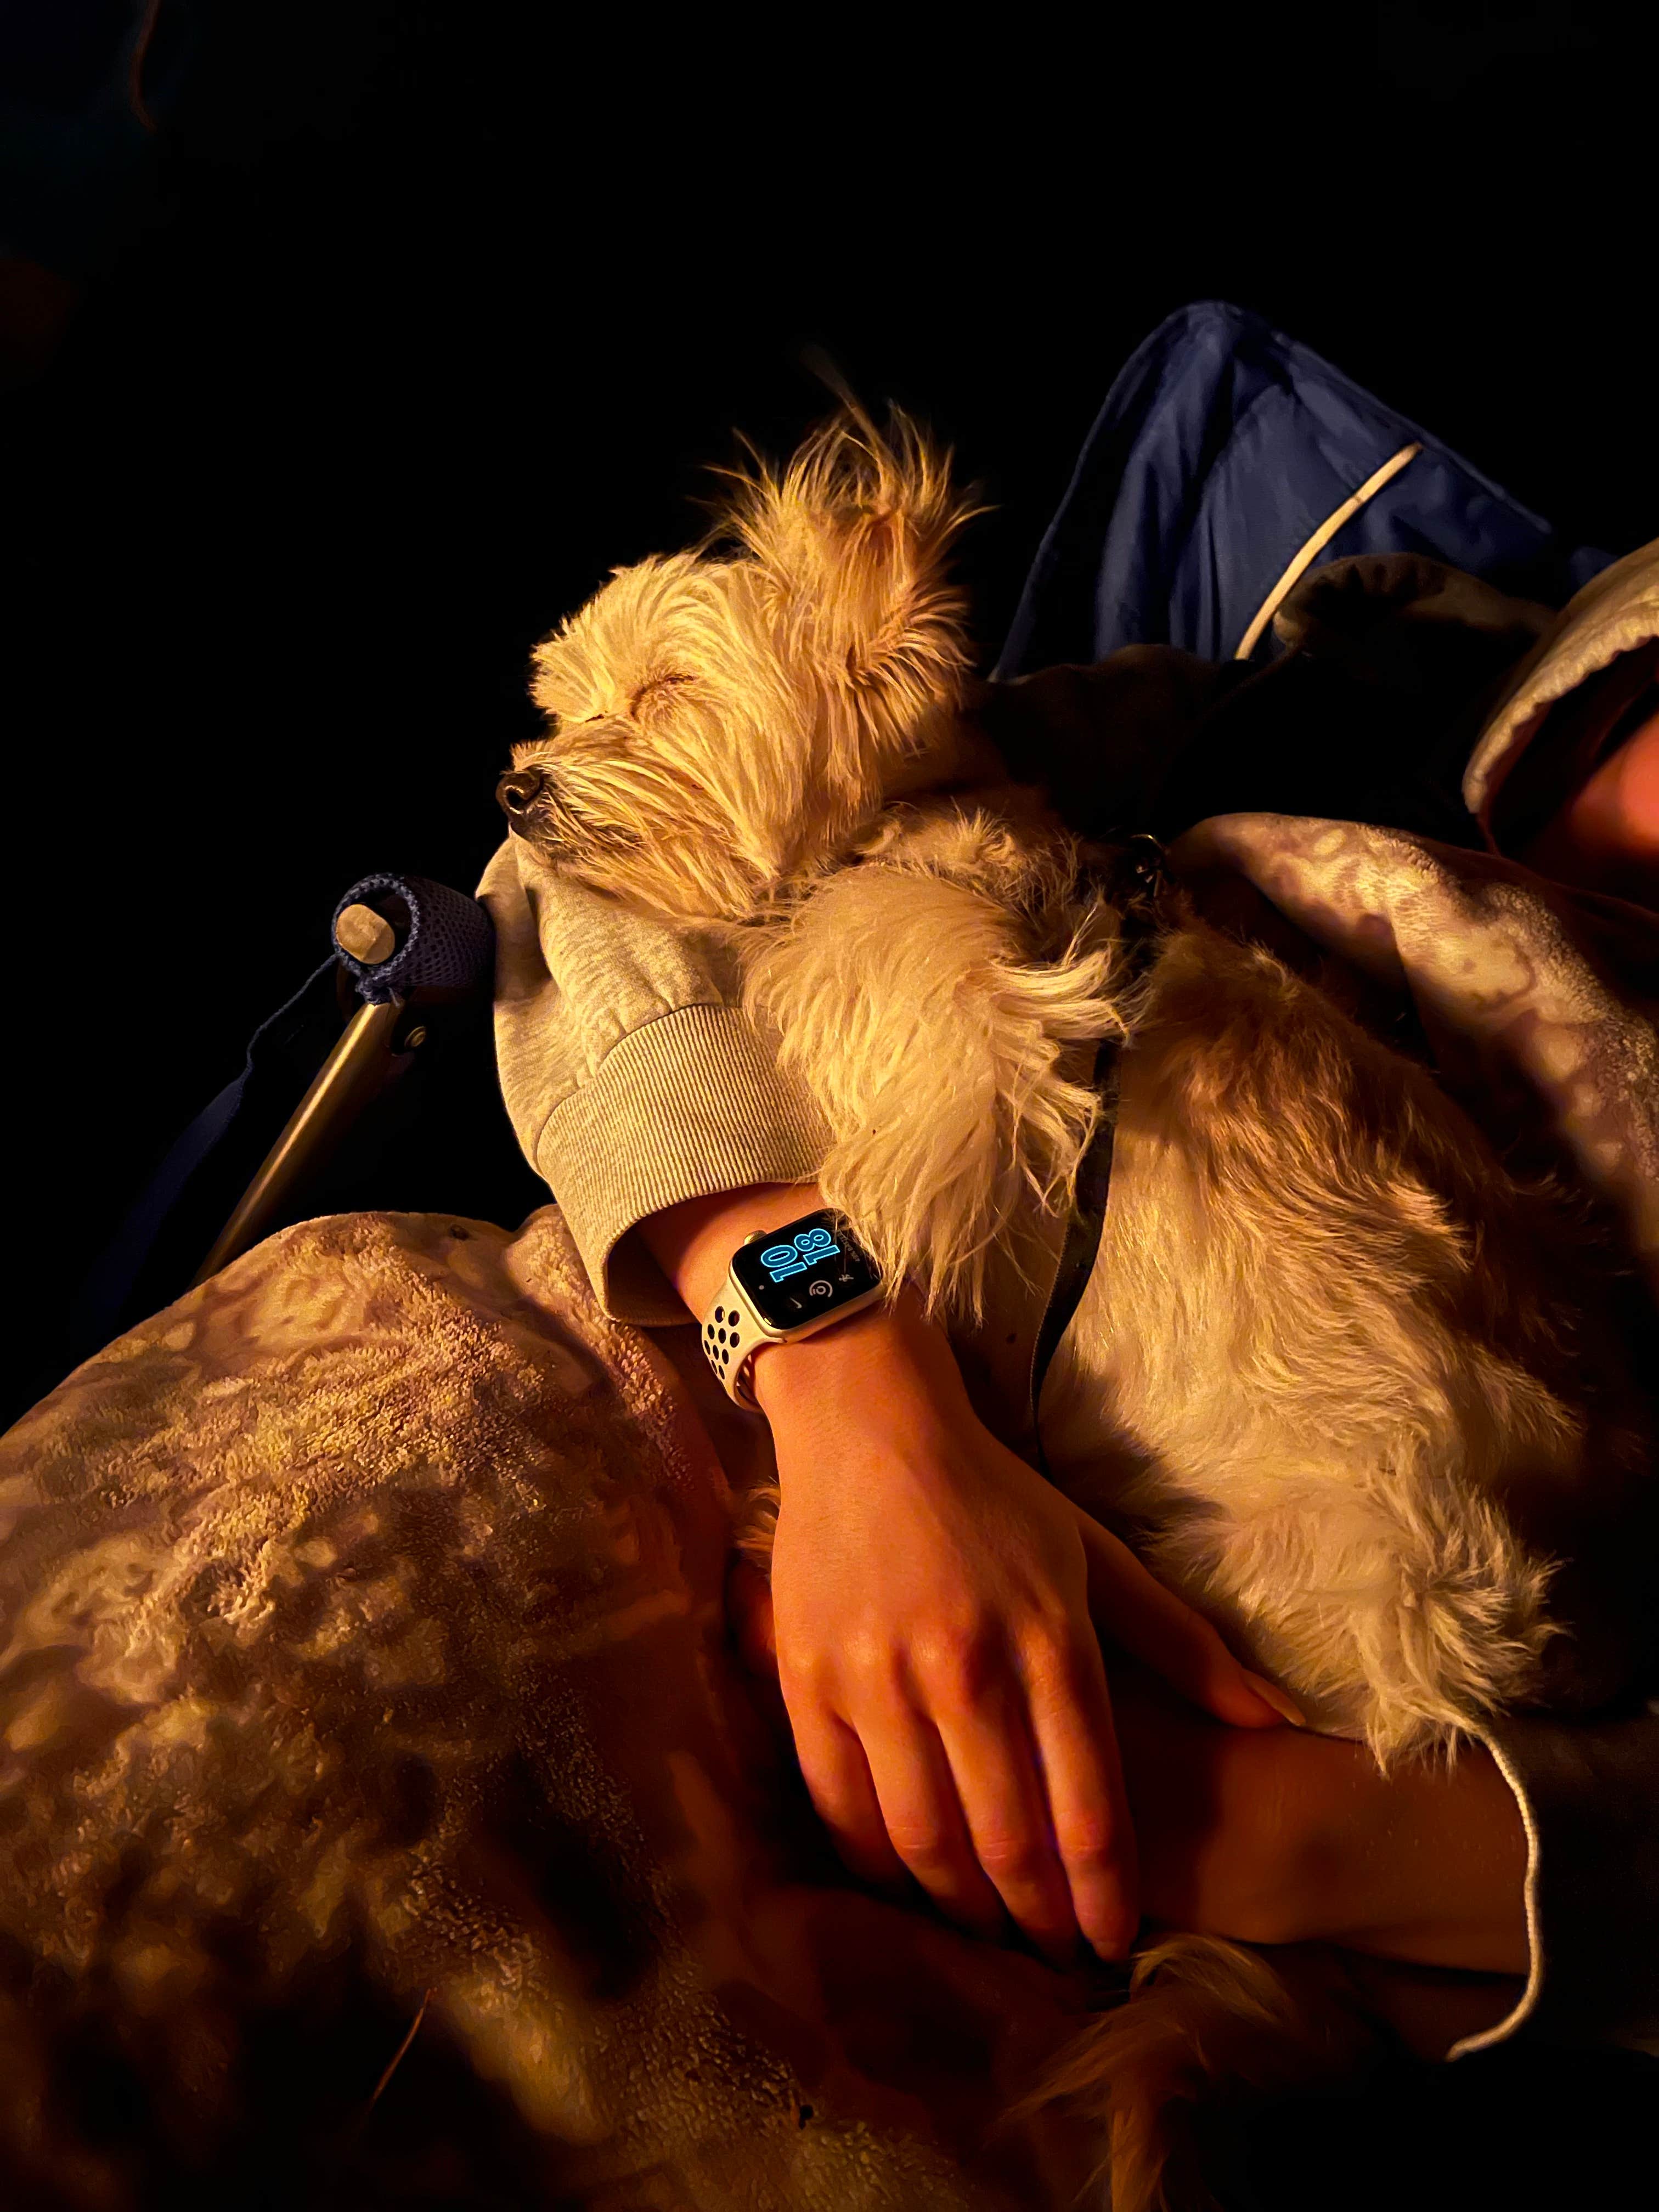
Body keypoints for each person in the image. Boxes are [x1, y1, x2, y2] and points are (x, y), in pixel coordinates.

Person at [478, 493, 1659, 2072]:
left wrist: (1255, 1831)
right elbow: (550, 882)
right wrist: (847, 1379)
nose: (561, 758)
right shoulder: (1258, 712)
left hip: (1360, 1731)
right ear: (1609, 671)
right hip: (821, 1400)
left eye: (658, 703)